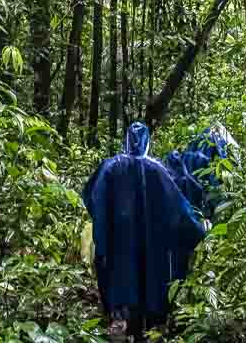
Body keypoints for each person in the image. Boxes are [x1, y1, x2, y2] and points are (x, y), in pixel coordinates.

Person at [82, 122, 206, 342]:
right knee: (149, 280)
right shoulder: (157, 170)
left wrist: (111, 223)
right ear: (148, 141)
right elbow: (177, 207)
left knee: (122, 279)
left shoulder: (110, 167)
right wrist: (197, 228)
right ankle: (146, 328)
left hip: (118, 243)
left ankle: (123, 323)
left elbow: (92, 197)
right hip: (151, 247)